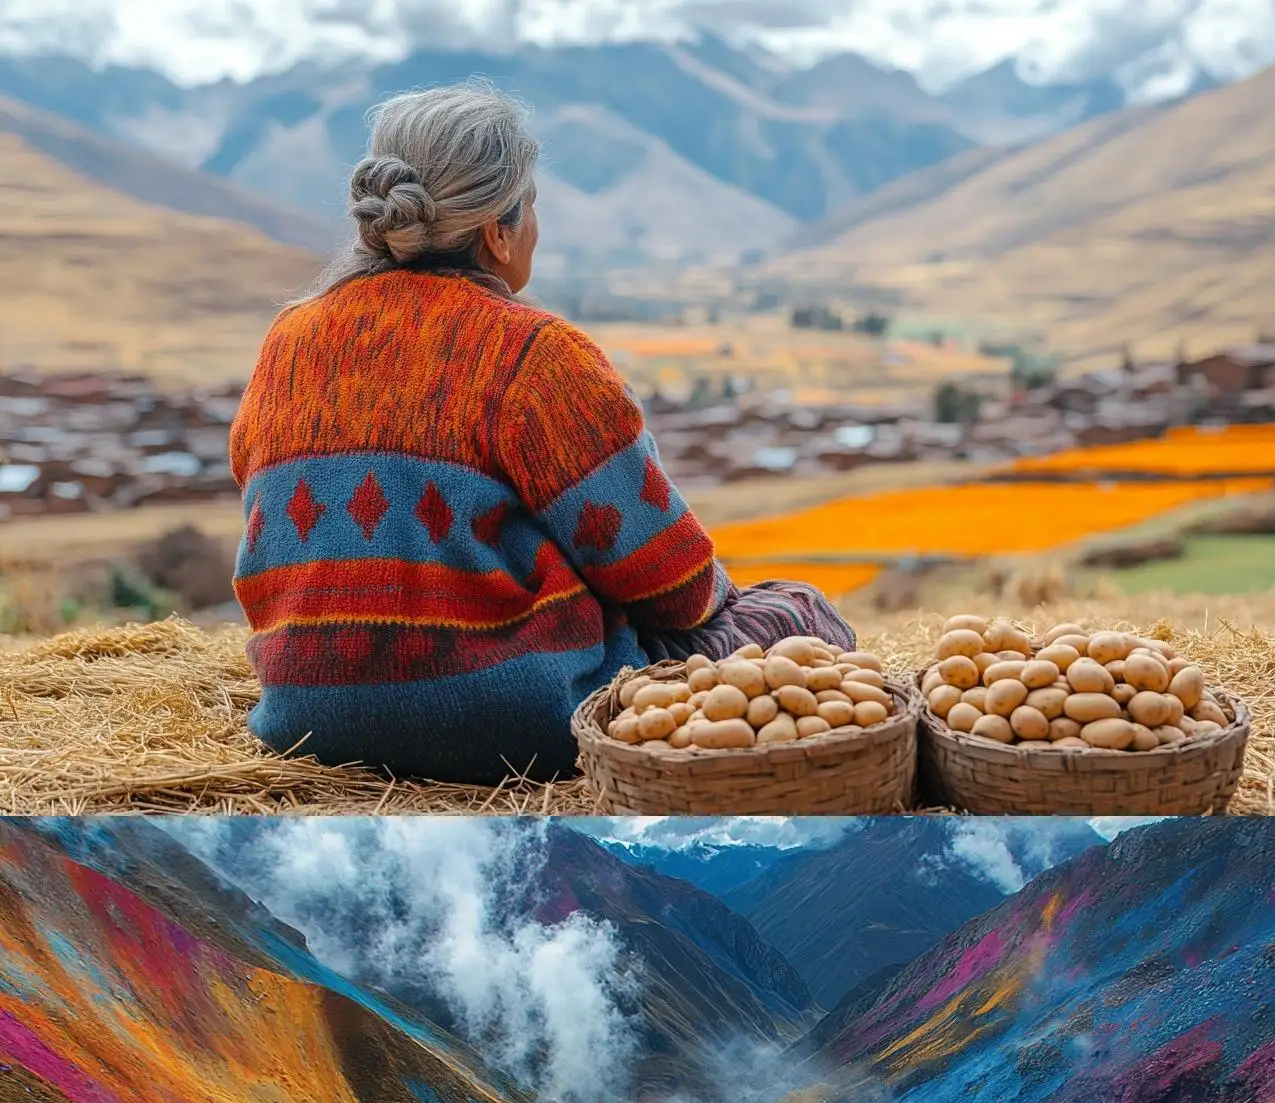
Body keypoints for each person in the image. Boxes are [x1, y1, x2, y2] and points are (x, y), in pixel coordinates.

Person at [226, 82, 852, 784]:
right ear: (499, 228)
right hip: (524, 722)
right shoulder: (534, 353)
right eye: (533, 210)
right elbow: (671, 585)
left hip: (306, 724)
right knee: (799, 613)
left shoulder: (289, 339)